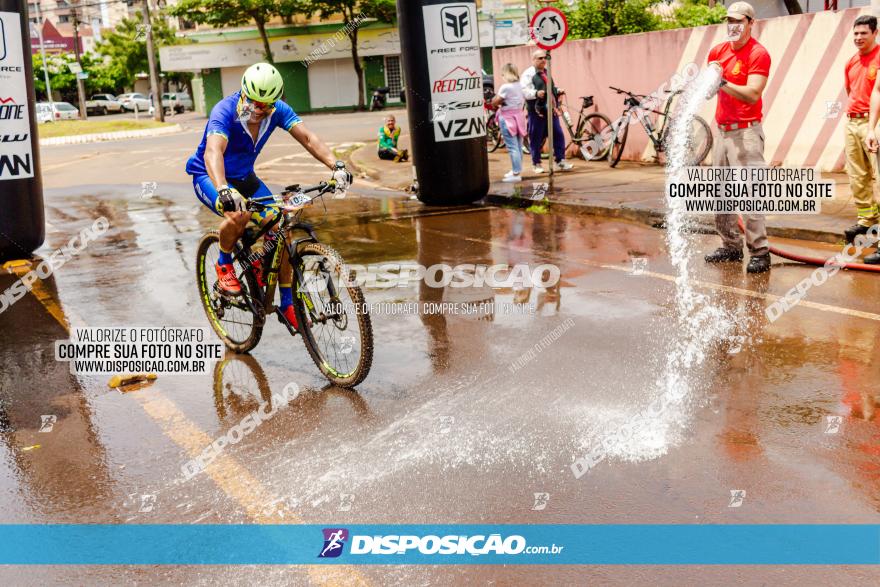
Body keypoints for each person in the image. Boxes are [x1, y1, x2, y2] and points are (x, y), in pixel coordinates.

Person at [185, 62, 352, 330]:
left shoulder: (275, 111)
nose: (262, 111)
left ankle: (287, 304)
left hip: (245, 177)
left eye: (269, 105)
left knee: (281, 226)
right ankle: (224, 264)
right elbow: (212, 152)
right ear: (244, 95)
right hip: (210, 176)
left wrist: (337, 166)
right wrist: (224, 189)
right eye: (257, 104)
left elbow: (307, 138)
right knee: (240, 213)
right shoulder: (225, 112)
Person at [704, 2, 772, 274]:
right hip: (722, 130)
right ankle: (731, 246)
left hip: (746, 132)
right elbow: (709, 90)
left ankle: (760, 252)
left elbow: (753, 92)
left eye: (738, 21)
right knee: (721, 193)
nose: (733, 26)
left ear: (750, 23)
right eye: (728, 21)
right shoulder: (718, 52)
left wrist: (722, 82)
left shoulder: (758, 53)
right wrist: (707, 84)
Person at [852, 17, 880, 264]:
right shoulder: (851, 61)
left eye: (863, 33)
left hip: (874, 123)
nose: (859, 37)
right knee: (858, 177)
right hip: (853, 120)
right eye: (856, 33)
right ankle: (866, 223)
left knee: (879, 182)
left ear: (875, 33)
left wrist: (872, 127)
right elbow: (849, 90)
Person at [520, 49, 573, 175]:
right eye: (540, 58)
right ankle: (536, 163)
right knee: (536, 137)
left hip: (551, 110)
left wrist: (557, 90)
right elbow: (524, 90)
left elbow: (549, 88)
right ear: (533, 60)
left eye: (545, 58)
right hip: (537, 111)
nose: (543, 60)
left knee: (558, 134)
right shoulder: (528, 74)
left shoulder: (546, 72)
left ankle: (560, 160)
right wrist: (535, 93)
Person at [491, 63, 528, 182]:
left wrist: (495, 101)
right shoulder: (520, 85)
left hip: (508, 118)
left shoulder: (505, 87)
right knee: (518, 145)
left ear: (506, 74)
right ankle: (516, 170)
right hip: (519, 116)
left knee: (512, 147)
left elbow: (495, 102)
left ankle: (516, 174)